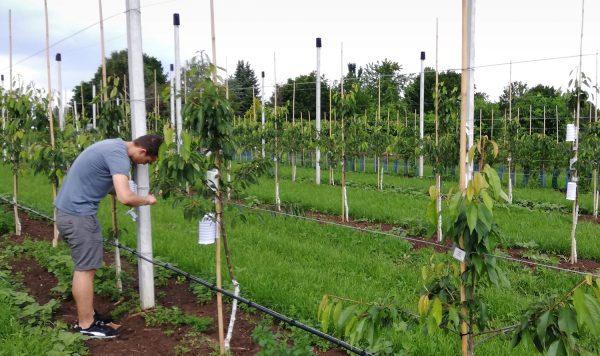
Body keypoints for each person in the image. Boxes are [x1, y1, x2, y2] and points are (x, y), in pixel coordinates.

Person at [55, 134, 163, 338]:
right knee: (86, 270)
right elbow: (125, 198)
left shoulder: (112, 145)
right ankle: (86, 325)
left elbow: (105, 183)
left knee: (86, 268)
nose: (144, 166)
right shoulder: (119, 156)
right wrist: (147, 199)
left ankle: (88, 315)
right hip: (79, 217)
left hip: (70, 213)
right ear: (142, 151)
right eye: (147, 162)